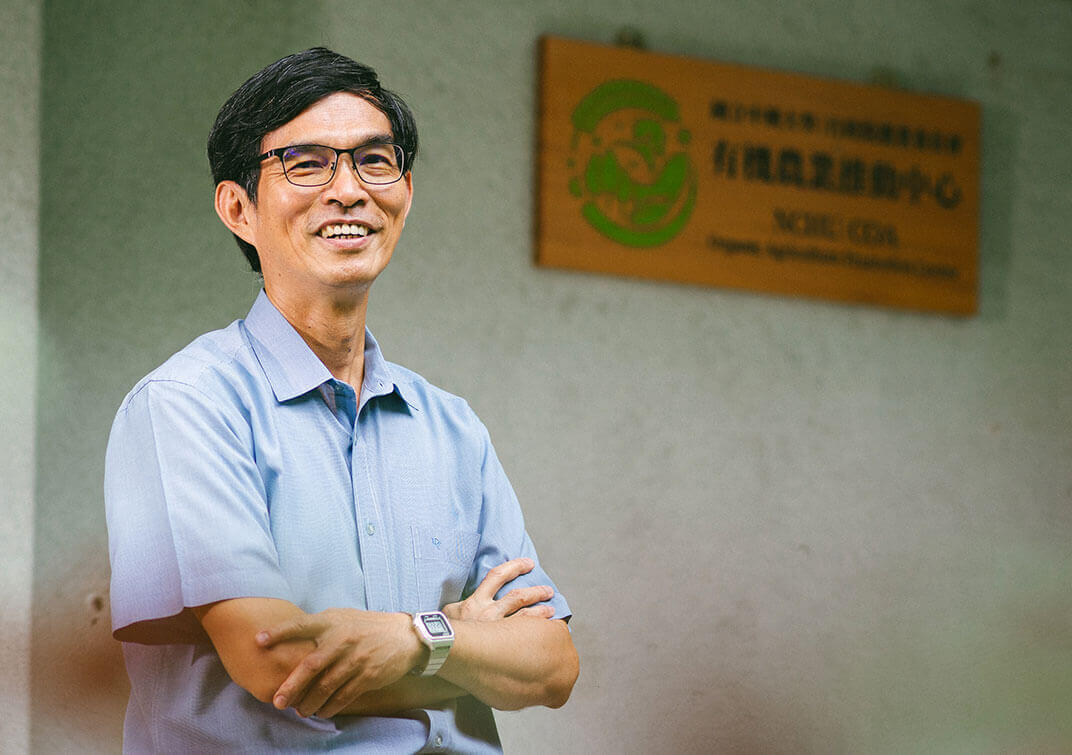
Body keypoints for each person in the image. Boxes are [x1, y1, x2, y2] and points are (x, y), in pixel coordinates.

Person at [104, 47, 578, 753]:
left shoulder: (451, 426)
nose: (349, 190)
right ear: (238, 208)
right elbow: (280, 664)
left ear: (405, 192)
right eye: (306, 164)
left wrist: (414, 636)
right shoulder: (187, 406)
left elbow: (552, 667)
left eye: (374, 160)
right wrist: (468, 643)